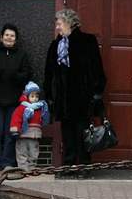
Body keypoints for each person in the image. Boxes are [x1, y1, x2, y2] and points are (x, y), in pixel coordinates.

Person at [44, 9, 106, 171]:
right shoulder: (55, 45)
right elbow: (48, 73)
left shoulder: (87, 41)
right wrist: (49, 96)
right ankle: (68, 164)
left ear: (69, 23)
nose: (57, 27)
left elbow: (97, 68)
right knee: (67, 133)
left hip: (82, 96)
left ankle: (84, 165)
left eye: (59, 23)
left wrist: (97, 92)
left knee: (83, 131)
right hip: (63, 98)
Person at [0, 23, 33, 172]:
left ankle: (8, 162)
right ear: (1, 37)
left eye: (12, 36)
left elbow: (28, 73)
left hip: (14, 101)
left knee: (11, 133)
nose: (9, 38)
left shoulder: (22, 54)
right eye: (7, 35)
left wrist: (15, 75)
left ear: (16, 39)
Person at [8, 81, 50, 171]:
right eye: (32, 96)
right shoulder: (22, 108)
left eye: (37, 96)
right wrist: (15, 129)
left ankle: (31, 168)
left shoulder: (39, 109)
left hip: (34, 135)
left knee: (33, 152)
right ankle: (23, 169)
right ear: (26, 96)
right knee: (22, 152)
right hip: (23, 134)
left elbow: (42, 120)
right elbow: (16, 118)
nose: (35, 99)